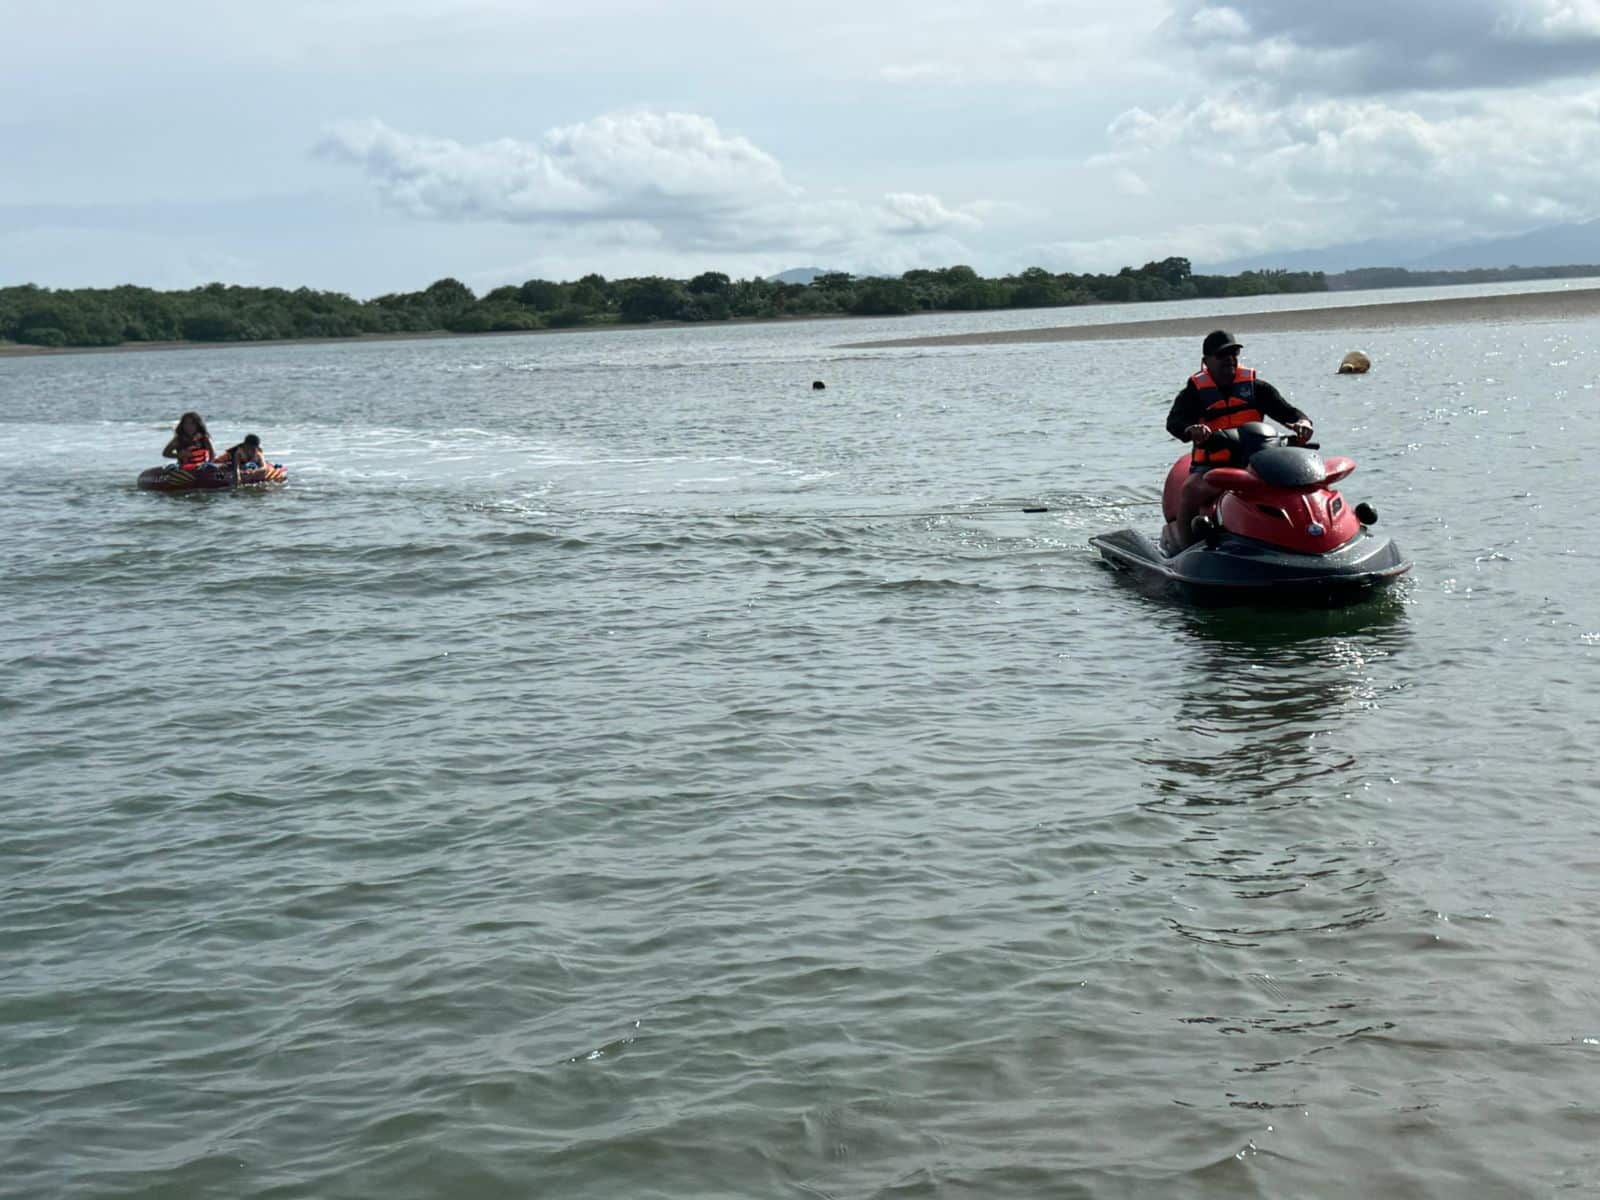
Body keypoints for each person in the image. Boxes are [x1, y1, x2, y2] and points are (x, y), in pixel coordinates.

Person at [1164, 330, 1313, 550]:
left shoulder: (1256, 388)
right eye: (1222, 355)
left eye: (1233, 353)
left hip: (1256, 466)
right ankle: (1186, 550)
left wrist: (1302, 423)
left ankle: (1307, 536)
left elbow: (1288, 412)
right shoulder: (1194, 392)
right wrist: (1191, 430)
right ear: (1206, 361)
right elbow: (1174, 422)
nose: (1230, 359)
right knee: (1191, 490)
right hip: (1212, 469)